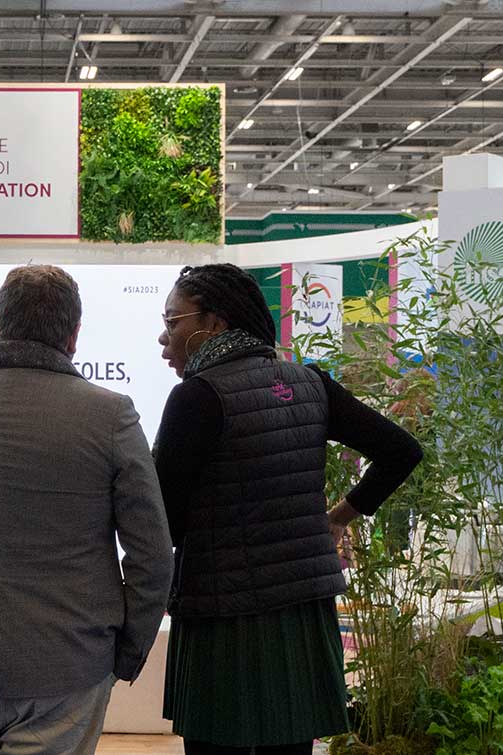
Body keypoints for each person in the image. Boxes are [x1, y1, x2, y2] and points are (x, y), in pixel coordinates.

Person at [0, 265, 174, 755]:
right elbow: (152, 554)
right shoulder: (111, 414)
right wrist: (127, 648)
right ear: (75, 335)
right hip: (68, 656)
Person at [152, 263, 424, 755]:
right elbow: (402, 450)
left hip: (222, 614)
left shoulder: (196, 397)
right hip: (301, 610)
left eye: (173, 323)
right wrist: (341, 516)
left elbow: (163, 520)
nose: (163, 337)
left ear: (213, 323)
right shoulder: (310, 383)